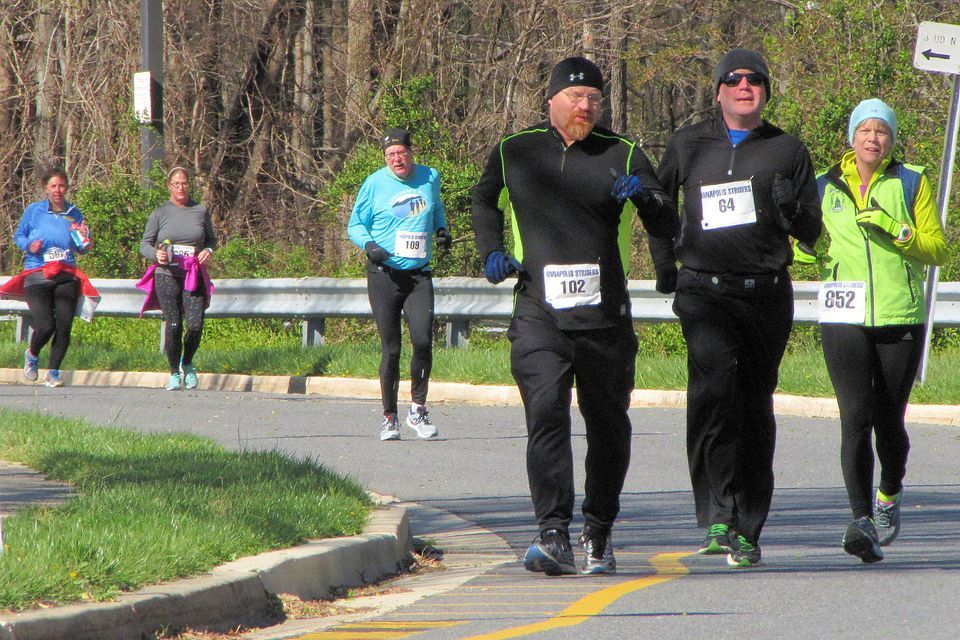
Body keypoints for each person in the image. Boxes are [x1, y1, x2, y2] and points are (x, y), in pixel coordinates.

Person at [471, 56, 677, 576]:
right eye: (575, 97)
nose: (585, 106)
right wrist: (490, 249)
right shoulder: (516, 150)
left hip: (605, 318)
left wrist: (647, 199)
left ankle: (598, 532)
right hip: (539, 311)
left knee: (608, 427)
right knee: (546, 412)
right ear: (552, 100)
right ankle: (553, 531)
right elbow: (482, 198)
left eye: (594, 99)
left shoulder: (623, 151)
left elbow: (666, 214)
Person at [648, 49, 822, 567]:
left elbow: (812, 232)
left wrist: (792, 210)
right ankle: (716, 512)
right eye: (735, 79)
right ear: (719, 90)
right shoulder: (688, 143)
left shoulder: (787, 149)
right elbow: (657, 206)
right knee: (713, 393)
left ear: (766, 92)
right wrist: (665, 267)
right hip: (704, 291)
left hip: (765, 292)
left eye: (756, 80)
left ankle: (748, 527)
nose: (745, 86)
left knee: (753, 404)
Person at [806, 99, 946, 563]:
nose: (873, 139)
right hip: (843, 314)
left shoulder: (910, 180)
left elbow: (937, 250)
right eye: (865, 130)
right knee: (854, 417)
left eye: (882, 131)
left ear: (891, 139)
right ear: (851, 137)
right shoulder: (826, 184)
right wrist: (802, 246)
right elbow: (806, 247)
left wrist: (895, 230)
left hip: (898, 314)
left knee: (889, 421)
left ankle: (889, 493)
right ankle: (861, 519)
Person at [347, 128, 450, 441]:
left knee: (422, 340)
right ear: (385, 158)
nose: (396, 160)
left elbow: (435, 207)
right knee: (391, 349)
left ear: (410, 152)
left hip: (418, 275)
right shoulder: (375, 183)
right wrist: (369, 246)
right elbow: (355, 225)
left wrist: (442, 229)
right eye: (390, 156)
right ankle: (389, 417)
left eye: (401, 153)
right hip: (384, 275)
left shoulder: (430, 177)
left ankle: (418, 410)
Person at [2, 167, 97, 387]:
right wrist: (29, 245)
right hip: (38, 273)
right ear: (46, 188)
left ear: (67, 188)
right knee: (46, 325)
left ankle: (54, 372)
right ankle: (33, 354)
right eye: (53, 186)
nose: (58, 190)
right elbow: (19, 236)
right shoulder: (35, 211)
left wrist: (85, 242)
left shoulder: (74, 212)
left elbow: (81, 247)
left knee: (64, 326)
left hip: (66, 273)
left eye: (62, 185)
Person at [138, 167, 217, 391]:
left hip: (193, 274)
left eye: (184, 183)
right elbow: (144, 244)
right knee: (174, 325)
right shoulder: (160, 212)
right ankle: (174, 372)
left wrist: (208, 251)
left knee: (194, 324)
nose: (180, 187)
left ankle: (188, 363)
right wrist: (157, 255)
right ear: (169, 186)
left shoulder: (200, 211)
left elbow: (211, 240)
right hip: (166, 274)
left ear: (188, 185)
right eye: (176, 184)